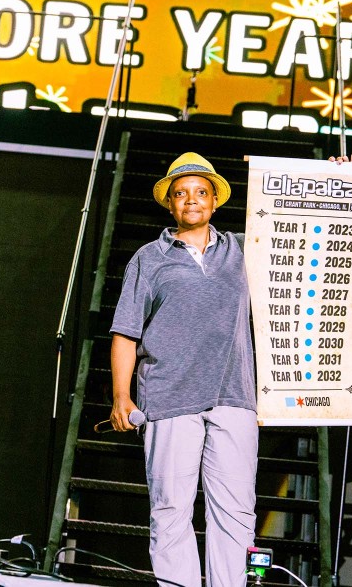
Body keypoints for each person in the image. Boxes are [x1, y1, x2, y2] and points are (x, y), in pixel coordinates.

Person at [108, 152, 257, 587]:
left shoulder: (242, 248)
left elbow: (300, 233)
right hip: (169, 398)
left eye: (201, 192)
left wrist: (336, 177)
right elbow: (125, 333)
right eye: (181, 193)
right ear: (170, 204)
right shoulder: (149, 258)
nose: (192, 200)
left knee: (235, 511)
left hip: (234, 397)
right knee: (171, 509)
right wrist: (121, 395)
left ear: (214, 201)